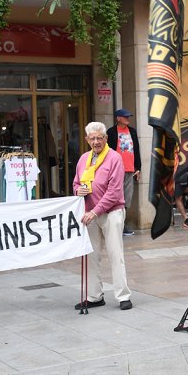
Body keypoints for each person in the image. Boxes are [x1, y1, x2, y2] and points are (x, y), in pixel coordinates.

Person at [73, 122, 132, 310]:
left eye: (100, 137)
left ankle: (123, 296)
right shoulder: (83, 159)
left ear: (106, 138)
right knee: (91, 255)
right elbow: (75, 183)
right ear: (87, 140)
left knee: (116, 254)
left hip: (111, 212)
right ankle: (94, 296)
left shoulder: (115, 158)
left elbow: (114, 192)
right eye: (92, 138)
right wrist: (77, 191)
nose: (96, 141)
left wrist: (94, 211)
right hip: (89, 214)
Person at [106, 109, 141, 236]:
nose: (128, 119)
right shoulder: (111, 132)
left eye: (129, 116)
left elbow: (136, 150)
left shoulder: (132, 131)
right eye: (125, 117)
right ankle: (115, 224)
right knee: (115, 197)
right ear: (118, 118)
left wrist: (138, 168)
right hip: (116, 170)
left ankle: (122, 223)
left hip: (130, 169)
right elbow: (107, 152)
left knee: (127, 198)